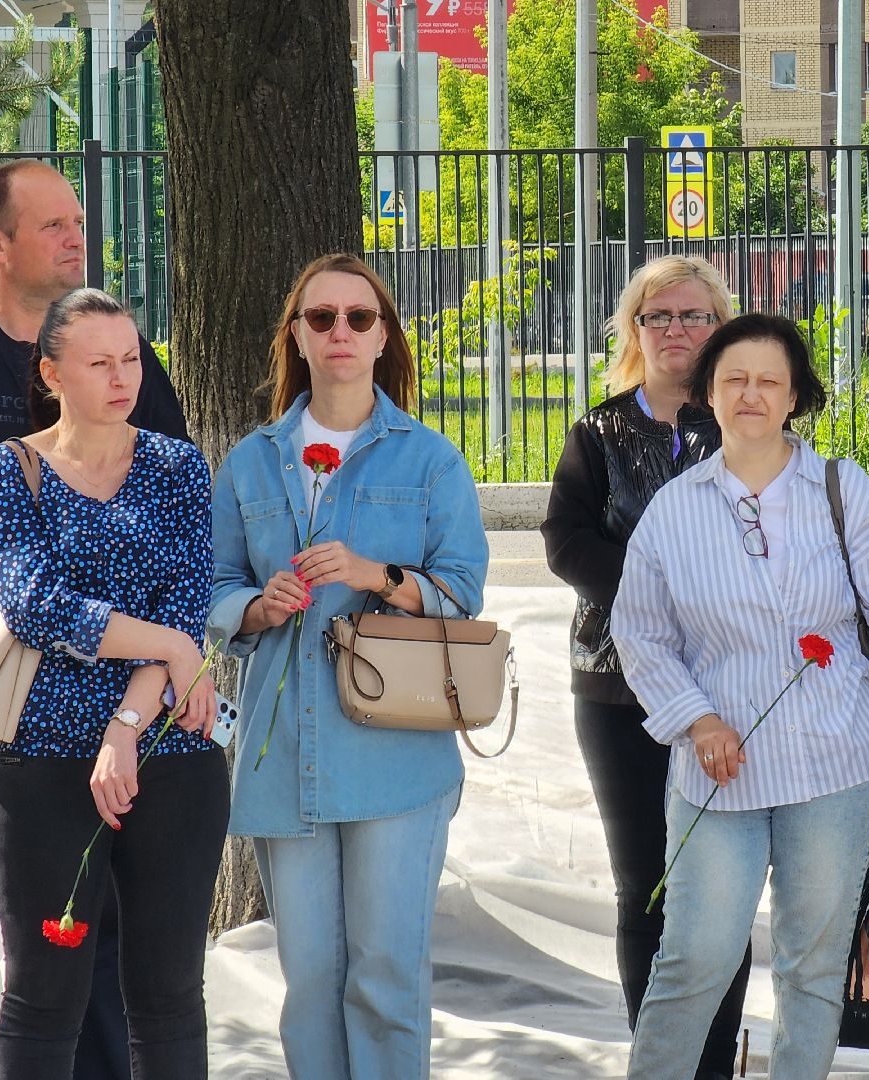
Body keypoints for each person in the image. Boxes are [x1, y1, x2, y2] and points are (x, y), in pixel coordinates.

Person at [0, 159, 186, 1080]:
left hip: (95, 685)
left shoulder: (127, 356)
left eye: (78, 220)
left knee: (86, 912)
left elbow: (173, 519)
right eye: (54, 222)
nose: (76, 234)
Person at [610, 313, 869, 1080]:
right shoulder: (674, 509)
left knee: (812, 966)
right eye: (734, 379)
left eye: (769, 381)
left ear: (795, 396)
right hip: (717, 774)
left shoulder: (843, 489)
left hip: (837, 764)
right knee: (694, 957)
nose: (751, 394)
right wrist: (697, 719)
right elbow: (641, 635)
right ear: (707, 393)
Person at [208, 253, 488, 1079]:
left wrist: (378, 575)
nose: (340, 331)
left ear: (382, 337)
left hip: (395, 754)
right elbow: (213, 590)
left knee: (387, 979)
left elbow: (463, 591)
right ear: (296, 336)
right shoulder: (251, 461)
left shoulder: (431, 460)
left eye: (359, 318)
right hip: (284, 753)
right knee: (310, 984)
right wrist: (258, 606)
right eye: (321, 317)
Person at [0, 287, 223, 1079]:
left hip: (170, 757)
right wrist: (170, 647)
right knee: (40, 1002)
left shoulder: (178, 466)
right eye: (99, 363)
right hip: (42, 763)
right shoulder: (12, 469)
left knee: (170, 999)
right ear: (51, 373)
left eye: (132, 360)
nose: (123, 379)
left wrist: (126, 726)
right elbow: (35, 607)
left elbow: (186, 601)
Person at [541, 254, 751, 1077]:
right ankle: (658, 1060)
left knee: (720, 887)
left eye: (694, 315)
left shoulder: (746, 424)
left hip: (728, 689)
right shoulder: (596, 432)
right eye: (657, 316)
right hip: (617, 687)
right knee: (647, 888)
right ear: (634, 330)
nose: (675, 331)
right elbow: (566, 543)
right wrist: (661, 595)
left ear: (721, 324)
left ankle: (715, 1063)